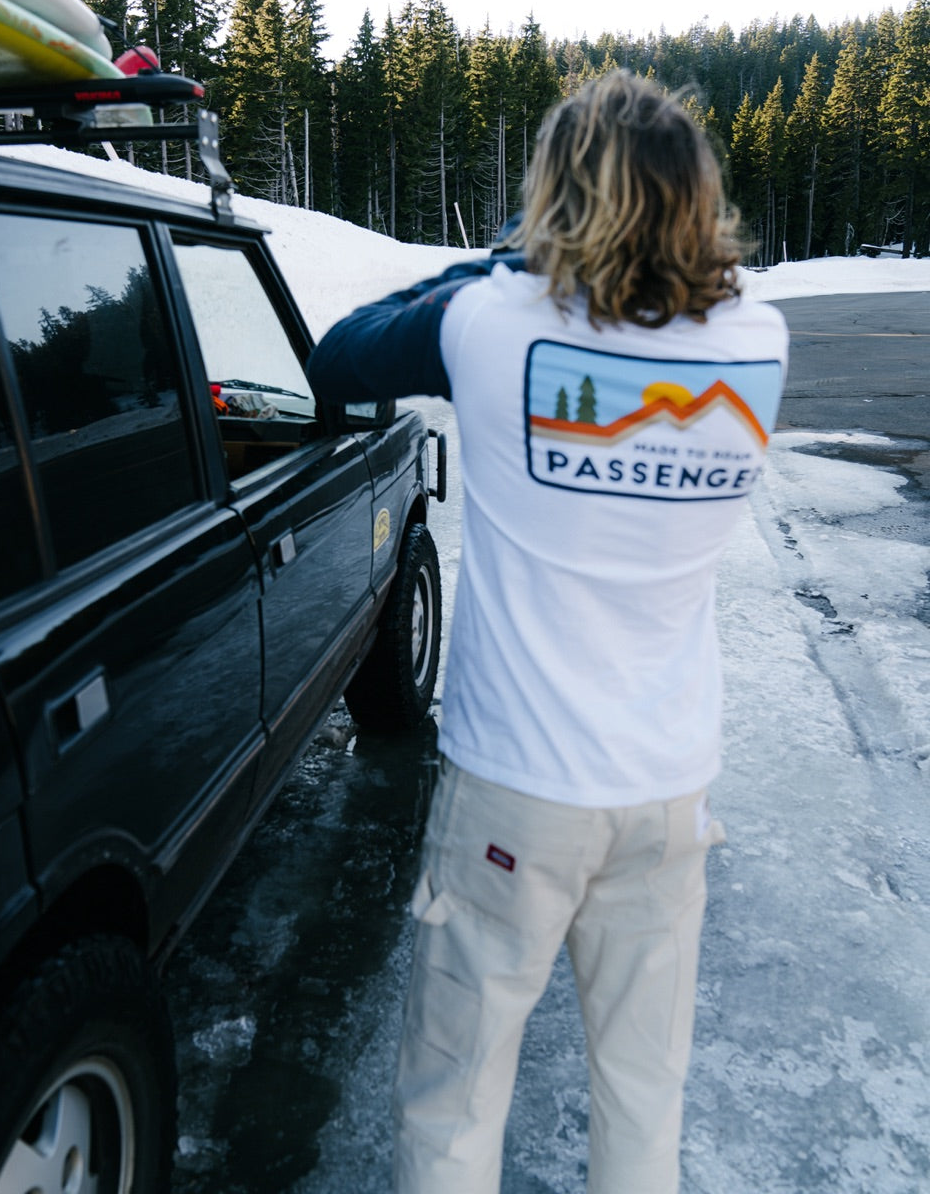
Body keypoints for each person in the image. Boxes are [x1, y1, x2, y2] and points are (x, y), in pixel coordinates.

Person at [307, 70, 789, 1194]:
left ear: (555, 197)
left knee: (455, 1095)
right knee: (640, 1095)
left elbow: (341, 355)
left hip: (515, 792)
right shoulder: (759, 339)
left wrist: (497, 259)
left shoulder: (489, 319)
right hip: (669, 791)